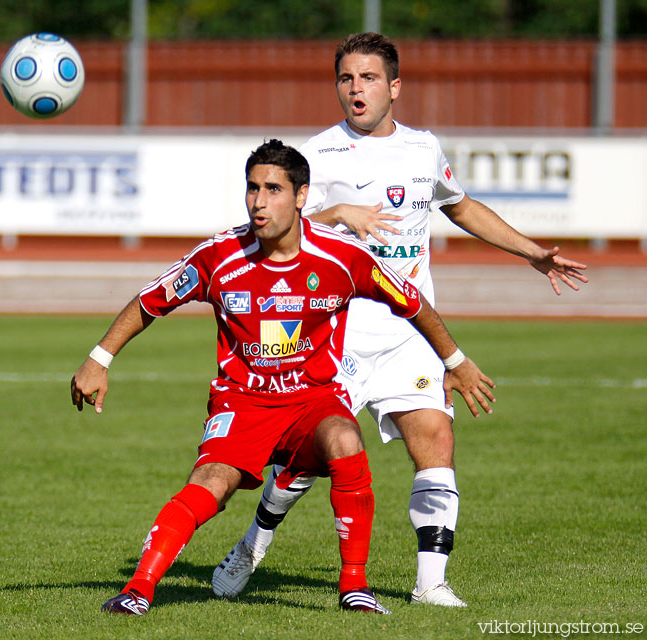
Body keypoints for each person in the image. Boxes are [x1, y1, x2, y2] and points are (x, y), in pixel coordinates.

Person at [212, 33, 589, 608]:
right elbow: (275, 226)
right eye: (345, 78)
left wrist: (530, 250)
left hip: (409, 331)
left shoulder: (423, 149)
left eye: (366, 78)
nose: (355, 89)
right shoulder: (318, 153)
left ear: (394, 87)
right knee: (307, 462)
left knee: (435, 438)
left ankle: (431, 583)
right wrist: (335, 211)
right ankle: (251, 546)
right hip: (334, 335)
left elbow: (459, 205)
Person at [70, 139, 495, 617]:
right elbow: (151, 301)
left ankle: (354, 585)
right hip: (242, 403)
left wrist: (455, 361)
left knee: (344, 438)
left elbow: (413, 303)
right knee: (211, 481)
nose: (258, 201)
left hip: (312, 403)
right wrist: (98, 358)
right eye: (252, 188)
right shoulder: (219, 256)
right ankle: (139, 589)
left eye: (273, 189)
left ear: (300, 195)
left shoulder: (342, 257)